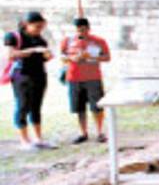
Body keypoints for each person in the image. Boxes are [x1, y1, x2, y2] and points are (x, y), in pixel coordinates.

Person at [4, 11, 55, 151]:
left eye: (41, 26)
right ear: (26, 25)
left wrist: (47, 55)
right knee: (23, 106)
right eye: (37, 26)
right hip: (22, 76)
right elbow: (11, 55)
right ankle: (24, 140)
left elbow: (44, 58)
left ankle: (38, 138)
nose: (39, 29)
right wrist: (32, 50)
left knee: (36, 107)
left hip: (39, 75)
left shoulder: (41, 39)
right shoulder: (14, 37)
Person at [60, 16, 111, 144]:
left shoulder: (98, 41)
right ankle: (83, 132)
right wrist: (72, 58)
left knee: (97, 106)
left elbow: (107, 57)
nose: (81, 33)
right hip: (74, 77)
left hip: (93, 77)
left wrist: (92, 58)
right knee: (79, 107)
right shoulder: (68, 41)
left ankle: (100, 132)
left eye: (83, 30)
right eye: (78, 30)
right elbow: (62, 56)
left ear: (88, 28)